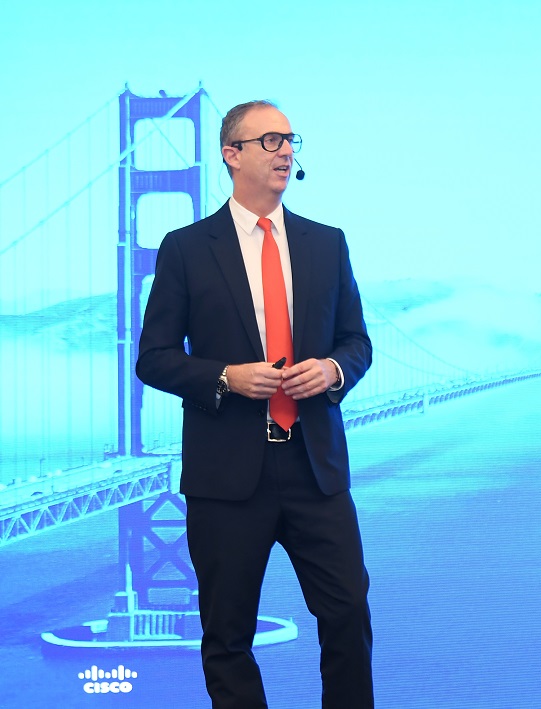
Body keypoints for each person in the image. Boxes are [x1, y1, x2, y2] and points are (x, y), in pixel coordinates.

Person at [136, 100, 374, 708]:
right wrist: (225, 377)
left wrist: (333, 369)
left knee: (347, 617)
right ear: (231, 154)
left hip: (315, 468)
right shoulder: (186, 248)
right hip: (226, 475)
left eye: (291, 139)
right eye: (269, 140)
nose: (286, 151)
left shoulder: (327, 243)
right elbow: (154, 357)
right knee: (228, 637)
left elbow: (357, 342)